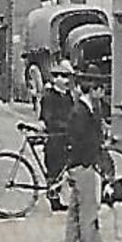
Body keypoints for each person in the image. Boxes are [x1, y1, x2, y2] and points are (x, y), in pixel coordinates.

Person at [64, 71, 114, 242]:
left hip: (78, 164)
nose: (103, 93)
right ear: (94, 90)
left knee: (75, 209)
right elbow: (80, 141)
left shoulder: (85, 109)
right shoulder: (81, 112)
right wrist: (90, 162)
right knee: (88, 210)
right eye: (101, 89)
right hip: (83, 164)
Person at [39, 61, 77, 212]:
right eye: (62, 77)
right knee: (55, 167)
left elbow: (73, 114)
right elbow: (49, 118)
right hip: (55, 138)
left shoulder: (67, 96)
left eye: (67, 77)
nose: (66, 81)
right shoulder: (49, 97)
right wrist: (66, 126)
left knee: (65, 166)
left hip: (66, 137)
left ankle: (58, 194)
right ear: (55, 79)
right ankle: (53, 198)